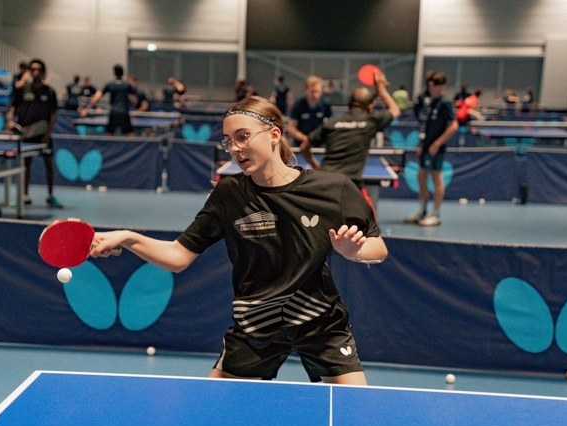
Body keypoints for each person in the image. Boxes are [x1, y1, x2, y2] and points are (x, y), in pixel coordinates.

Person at [89, 96, 388, 384]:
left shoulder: (333, 189)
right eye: (228, 140)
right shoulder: (229, 194)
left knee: (353, 413)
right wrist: (127, 238)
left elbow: (379, 248)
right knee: (215, 413)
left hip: (321, 323)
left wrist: (355, 251)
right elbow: (178, 256)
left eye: (243, 137)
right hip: (256, 325)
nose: (234, 148)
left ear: (274, 134)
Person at [303, 71, 401, 197]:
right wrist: (381, 89)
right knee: (369, 215)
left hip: (324, 180)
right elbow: (395, 110)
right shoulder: (371, 120)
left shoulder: (332, 122)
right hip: (350, 185)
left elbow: (304, 146)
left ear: (349, 104)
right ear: (370, 108)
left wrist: (315, 166)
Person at [405, 71, 458, 227]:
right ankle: (422, 211)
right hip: (427, 147)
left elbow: (453, 126)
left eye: (434, 87)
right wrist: (423, 145)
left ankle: (436, 215)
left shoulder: (444, 104)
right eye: (429, 86)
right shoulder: (430, 103)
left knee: (436, 179)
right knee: (421, 177)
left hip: (437, 149)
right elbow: (426, 128)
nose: (431, 89)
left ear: (442, 87)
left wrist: (437, 143)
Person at [6, 59, 61, 208]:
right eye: (33, 70)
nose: (36, 73)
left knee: (49, 165)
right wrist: (10, 121)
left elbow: (53, 115)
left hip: (44, 135)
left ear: (43, 73)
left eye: (39, 70)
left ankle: (50, 196)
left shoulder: (50, 92)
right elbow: (12, 109)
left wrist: (48, 134)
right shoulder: (22, 90)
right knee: (25, 166)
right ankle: (24, 196)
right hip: (26, 134)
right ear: (30, 72)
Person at [80, 64, 136, 137]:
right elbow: (134, 99)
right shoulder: (127, 85)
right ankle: (132, 148)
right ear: (123, 73)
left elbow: (97, 97)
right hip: (124, 113)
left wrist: (87, 109)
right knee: (130, 134)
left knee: (109, 135)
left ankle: (108, 148)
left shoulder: (110, 85)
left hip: (113, 113)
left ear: (114, 73)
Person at [288, 75, 332, 147]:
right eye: (312, 91)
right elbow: (291, 128)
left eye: (317, 91)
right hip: (300, 144)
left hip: (319, 144)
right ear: (306, 90)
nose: (314, 94)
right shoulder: (298, 105)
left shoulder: (326, 104)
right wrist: (305, 139)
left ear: (321, 91)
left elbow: (330, 125)